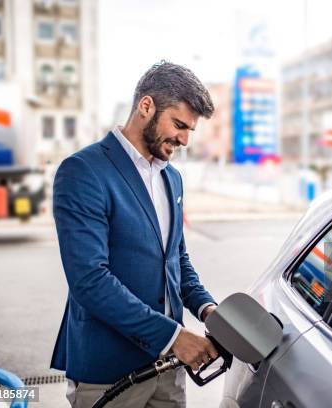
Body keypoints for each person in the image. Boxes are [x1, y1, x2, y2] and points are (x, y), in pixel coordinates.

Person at [50, 61, 218, 408]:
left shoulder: (172, 178)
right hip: (109, 370)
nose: (185, 140)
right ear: (146, 107)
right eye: (179, 125)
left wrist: (207, 309)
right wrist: (173, 337)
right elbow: (90, 280)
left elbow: (176, 260)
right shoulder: (83, 171)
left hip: (170, 370)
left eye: (191, 130)